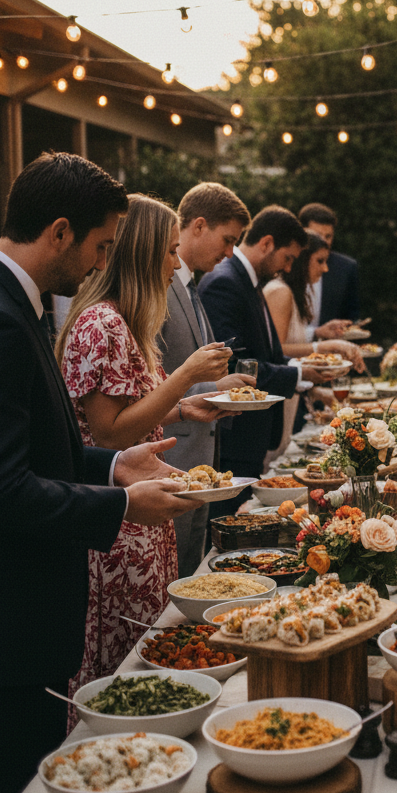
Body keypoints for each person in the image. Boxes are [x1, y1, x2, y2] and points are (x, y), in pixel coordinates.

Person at [0, 152, 200, 793]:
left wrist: (116, 464)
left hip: (17, 624)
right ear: (60, 232)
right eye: (101, 245)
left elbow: (39, 453)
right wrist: (119, 504)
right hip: (1, 630)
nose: (100, 263)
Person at [57, 195, 232, 704]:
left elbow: (132, 412)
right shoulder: (102, 324)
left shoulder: (127, 321)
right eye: (170, 251)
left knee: (146, 656)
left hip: (142, 511)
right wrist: (185, 377)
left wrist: (183, 409)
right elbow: (108, 434)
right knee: (123, 666)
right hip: (117, 518)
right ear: (142, 251)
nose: (177, 264)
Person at [199, 206, 328, 497]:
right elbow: (231, 365)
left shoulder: (249, 281)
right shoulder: (225, 282)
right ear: (267, 243)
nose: (287, 268)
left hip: (251, 439)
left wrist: (300, 369)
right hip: (234, 439)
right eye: (288, 258)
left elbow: (267, 353)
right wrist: (297, 373)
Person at [159, 182, 254, 575]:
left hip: (201, 457)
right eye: (227, 240)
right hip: (170, 456)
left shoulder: (193, 286)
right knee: (171, 579)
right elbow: (151, 382)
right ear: (198, 225)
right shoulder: (160, 290)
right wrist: (208, 390)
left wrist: (218, 389)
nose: (231, 252)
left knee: (191, 569)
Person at [263, 232, 367, 465]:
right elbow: (277, 349)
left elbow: (292, 335)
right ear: (302, 260)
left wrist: (318, 333)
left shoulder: (292, 293)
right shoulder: (280, 291)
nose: (326, 269)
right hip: (276, 401)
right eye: (320, 261)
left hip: (291, 397)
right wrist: (325, 346)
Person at [298, 202, 360, 330]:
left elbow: (351, 315)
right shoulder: (285, 263)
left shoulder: (346, 268)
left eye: (328, 236)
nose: (324, 242)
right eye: (317, 235)